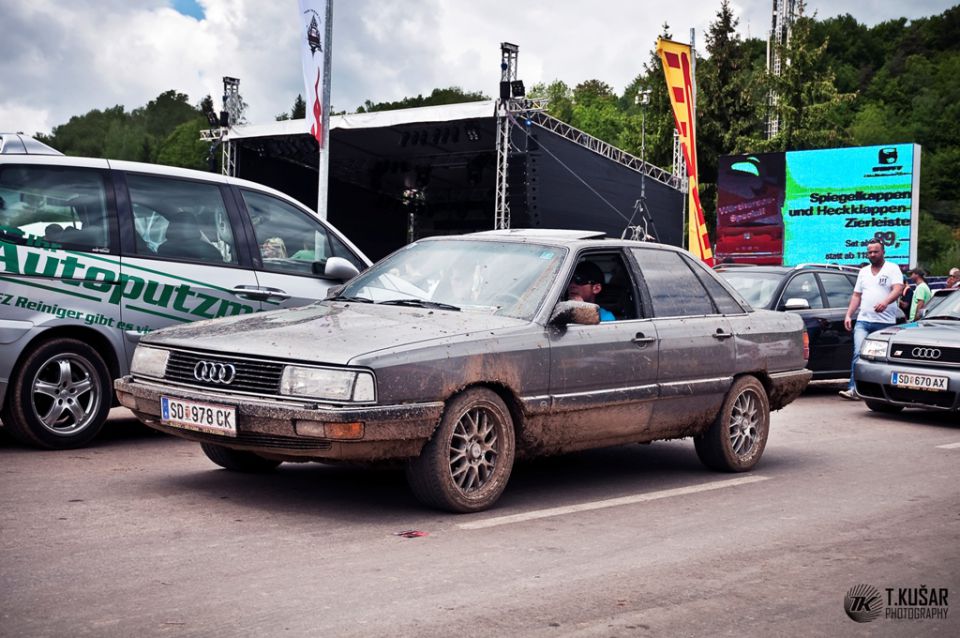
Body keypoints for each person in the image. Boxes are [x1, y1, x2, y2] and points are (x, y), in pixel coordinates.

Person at [840, 239, 904, 399]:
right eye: (870, 252)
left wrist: (885, 302)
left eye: (876, 251)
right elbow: (856, 295)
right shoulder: (863, 271)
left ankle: (881, 391)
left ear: (883, 252)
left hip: (884, 324)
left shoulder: (892, 268)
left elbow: (898, 288)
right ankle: (853, 389)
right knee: (858, 353)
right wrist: (849, 314)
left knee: (881, 358)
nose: (872, 254)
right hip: (863, 321)